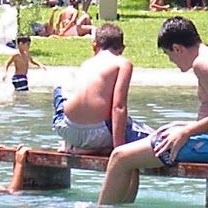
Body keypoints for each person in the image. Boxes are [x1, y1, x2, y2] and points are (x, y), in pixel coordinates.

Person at [100, 17, 208, 206]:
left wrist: (186, 131)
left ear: (177, 48)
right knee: (131, 153)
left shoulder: (203, 64)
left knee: (120, 157)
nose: (171, 60)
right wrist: (185, 126)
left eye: (168, 54)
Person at [53, 23, 148, 153]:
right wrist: (118, 151)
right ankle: (101, 149)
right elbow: (118, 107)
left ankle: (77, 146)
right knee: (154, 139)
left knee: (63, 83)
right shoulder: (122, 63)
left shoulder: (86, 64)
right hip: (99, 134)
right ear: (122, 49)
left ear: (94, 45)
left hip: (65, 129)